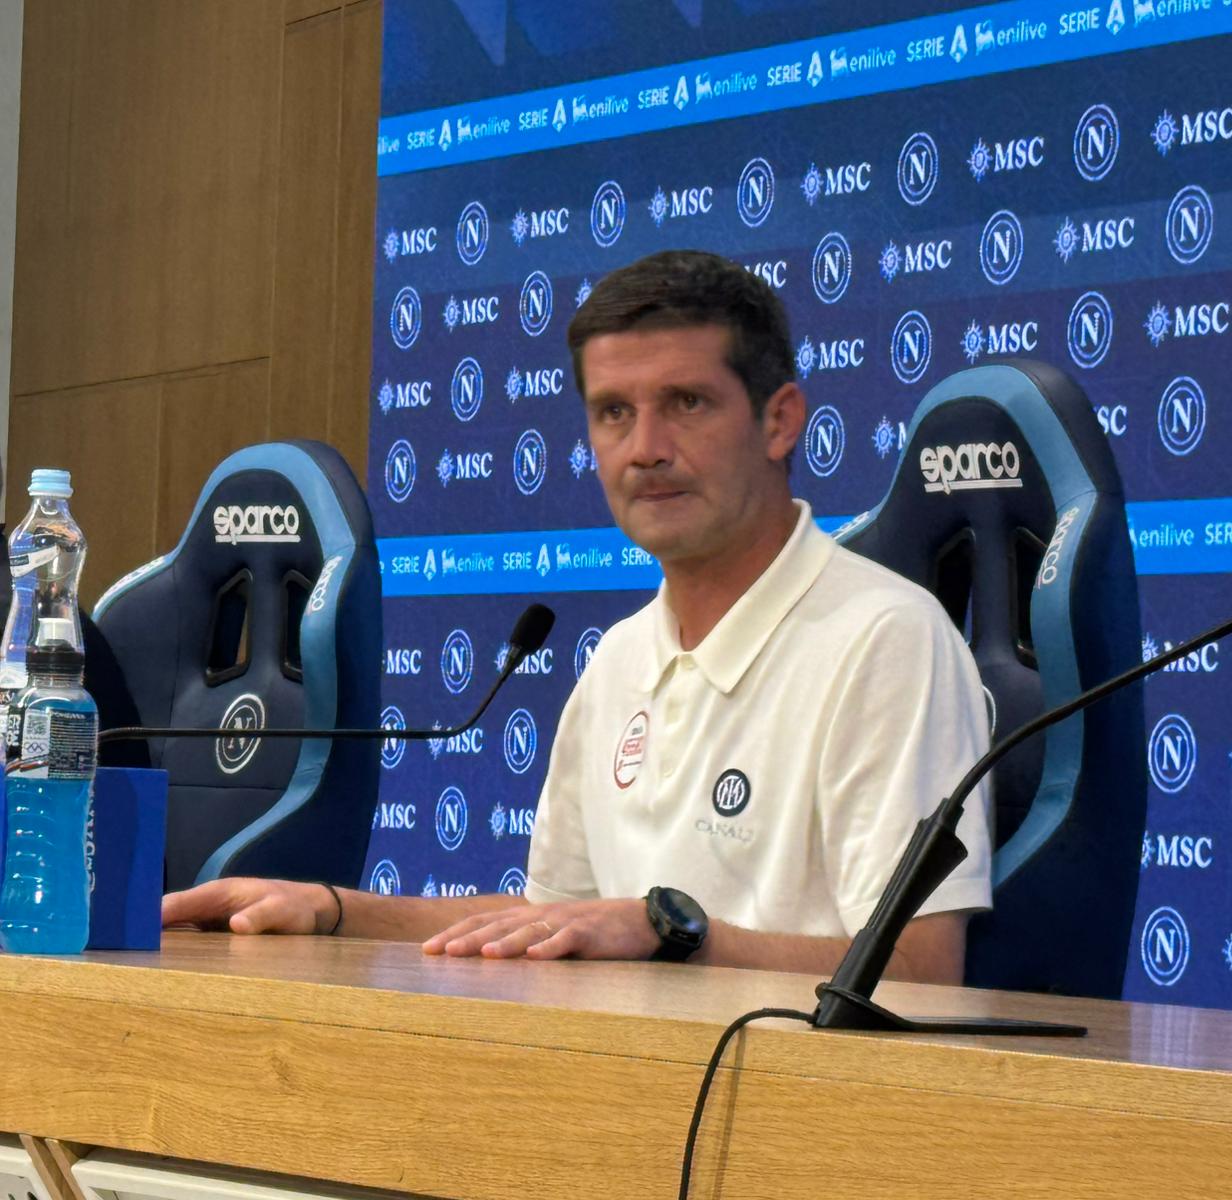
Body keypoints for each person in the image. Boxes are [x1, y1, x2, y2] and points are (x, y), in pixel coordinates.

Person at [162, 250, 992, 984]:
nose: (645, 448)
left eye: (687, 403)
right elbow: (550, 922)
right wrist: (332, 909)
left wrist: (670, 932)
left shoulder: (885, 638)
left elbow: (919, 969)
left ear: (779, 421)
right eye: (614, 412)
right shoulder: (619, 658)